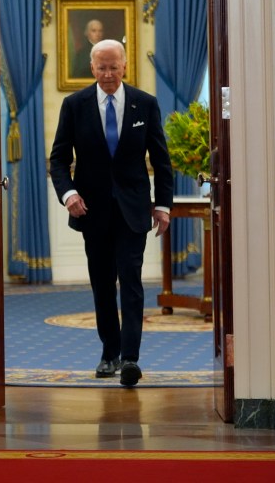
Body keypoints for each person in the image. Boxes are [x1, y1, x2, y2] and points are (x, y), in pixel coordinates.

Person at [49, 39, 173, 387]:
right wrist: (69, 193)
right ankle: (110, 353)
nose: (107, 73)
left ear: (124, 66)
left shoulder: (144, 105)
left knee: (131, 281)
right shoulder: (74, 105)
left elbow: (162, 161)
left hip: (134, 210)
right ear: (92, 68)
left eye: (112, 67)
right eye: (101, 67)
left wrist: (162, 206)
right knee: (103, 285)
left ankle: (131, 358)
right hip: (93, 211)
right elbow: (58, 159)